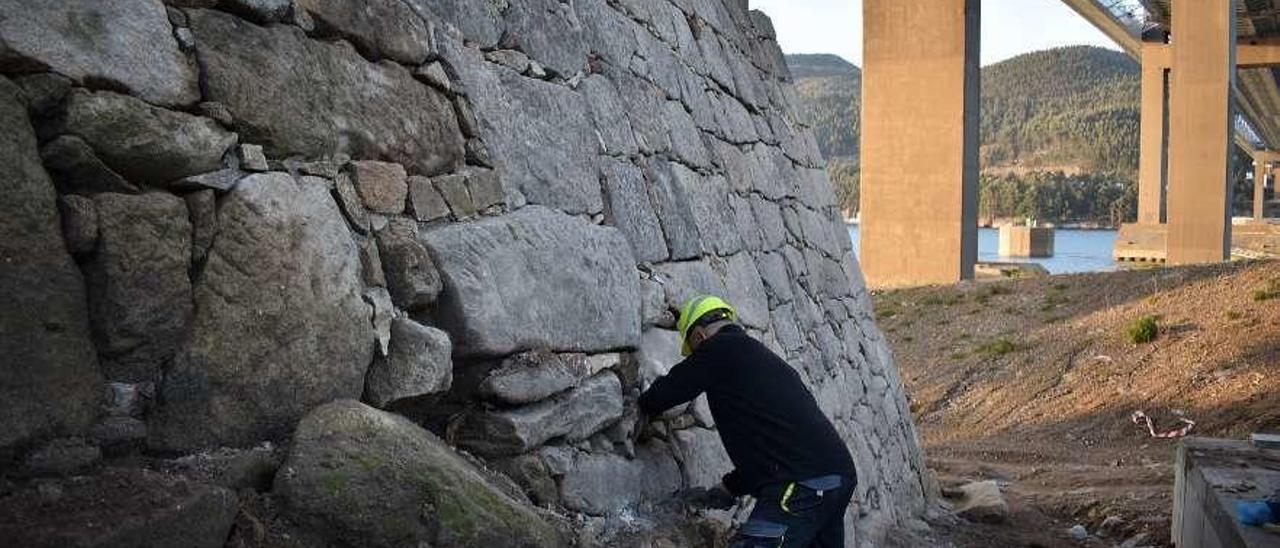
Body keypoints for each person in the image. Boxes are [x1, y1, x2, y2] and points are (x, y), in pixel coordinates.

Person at [637, 295, 858, 547]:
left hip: (803, 483)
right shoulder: (759, 360)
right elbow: (774, 444)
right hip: (836, 475)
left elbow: (670, 389)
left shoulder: (719, 349)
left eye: (694, 352)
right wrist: (731, 487)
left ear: (699, 336)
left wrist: (639, 406)